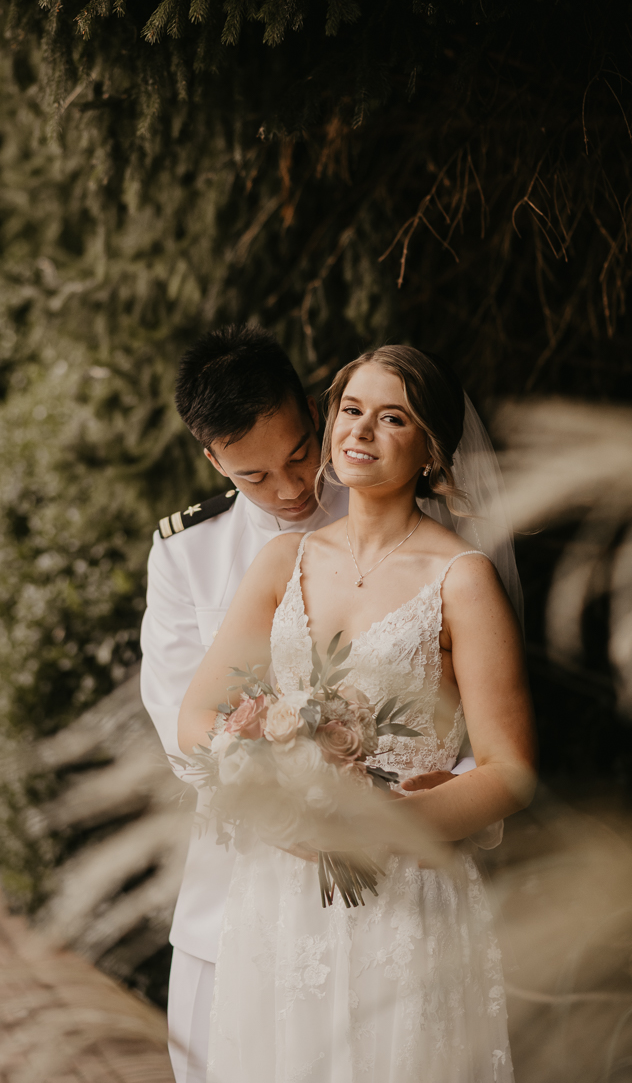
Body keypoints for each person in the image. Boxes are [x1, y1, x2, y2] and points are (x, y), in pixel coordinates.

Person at [178, 345, 536, 1083]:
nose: (361, 431)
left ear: (430, 448)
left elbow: (511, 771)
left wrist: (376, 824)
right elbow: (200, 713)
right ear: (329, 417)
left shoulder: (461, 581)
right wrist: (264, 792)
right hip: (279, 886)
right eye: (351, 409)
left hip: (405, 892)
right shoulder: (284, 562)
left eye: (392, 417)